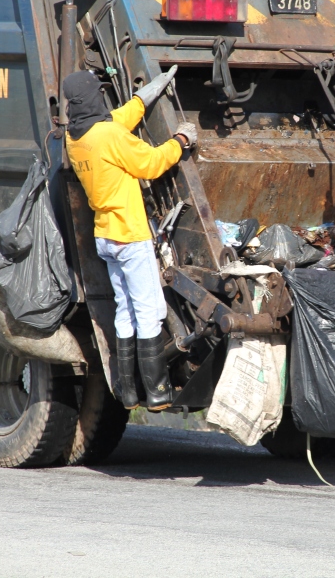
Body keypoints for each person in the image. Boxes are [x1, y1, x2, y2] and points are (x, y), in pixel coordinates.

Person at [63, 66, 196, 412]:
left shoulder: (75, 136)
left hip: (105, 237)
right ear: (94, 97)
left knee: (126, 311)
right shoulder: (109, 136)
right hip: (130, 235)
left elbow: (115, 120)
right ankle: (157, 392)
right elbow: (150, 164)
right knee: (150, 311)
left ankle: (127, 392)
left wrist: (144, 96)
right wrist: (180, 142)